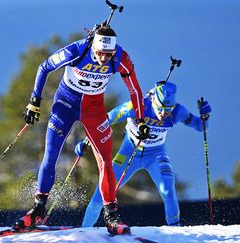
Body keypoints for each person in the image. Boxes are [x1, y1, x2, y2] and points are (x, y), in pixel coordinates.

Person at [16, 25, 150, 236]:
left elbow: (134, 89)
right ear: (93, 47)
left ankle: (111, 216)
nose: (104, 59)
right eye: (100, 54)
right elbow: (44, 67)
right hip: (65, 104)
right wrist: (34, 102)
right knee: (50, 155)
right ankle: (38, 208)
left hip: (94, 109)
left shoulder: (120, 57)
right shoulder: (76, 50)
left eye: (108, 54)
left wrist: (141, 120)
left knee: (105, 160)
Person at [75, 81, 212, 227]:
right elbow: (107, 119)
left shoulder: (178, 111)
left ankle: (175, 232)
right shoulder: (137, 106)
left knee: (167, 190)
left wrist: (205, 117)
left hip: (156, 155)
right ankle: (84, 231)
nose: (164, 114)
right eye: (160, 108)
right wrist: (87, 140)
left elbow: (200, 126)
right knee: (102, 193)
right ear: (153, 100)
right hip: (129, 152)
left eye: (168, 109)